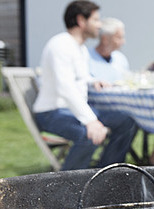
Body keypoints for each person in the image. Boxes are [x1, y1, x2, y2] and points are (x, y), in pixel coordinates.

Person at [33, 0, 137, 171]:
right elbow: (65, 87)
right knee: (88, 135)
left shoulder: (79, 48)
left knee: (126, 121)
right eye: (96, 20)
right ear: (81, 20)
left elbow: (79, 77)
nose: (100, 25)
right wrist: (91, 121)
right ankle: (68, 186)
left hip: (71, 110)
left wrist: (92, 81)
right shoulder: (61, 45)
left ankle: (107, 174)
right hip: (51, 113)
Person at [88, 17, 129, 83]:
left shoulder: (121, 59)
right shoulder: (86, 58)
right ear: (105, 39)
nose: (123, 42)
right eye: (119, 38)